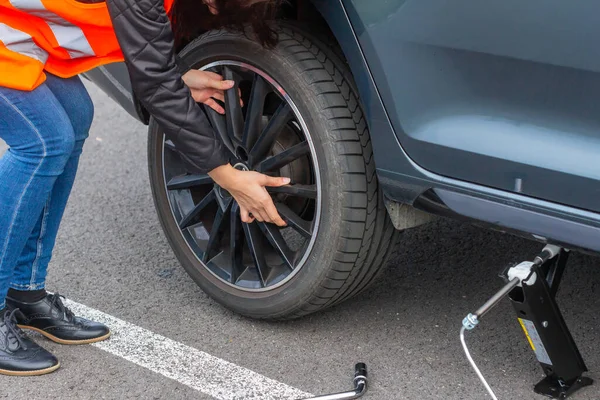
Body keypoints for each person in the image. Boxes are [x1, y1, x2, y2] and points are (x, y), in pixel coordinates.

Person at [0, 0, 286, 376]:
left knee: (74, 115)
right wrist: (230, 177)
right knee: (43, 140)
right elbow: (154, 82)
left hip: (17, 25)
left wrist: (176, 74)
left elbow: (137, 37)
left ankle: (24, 289)